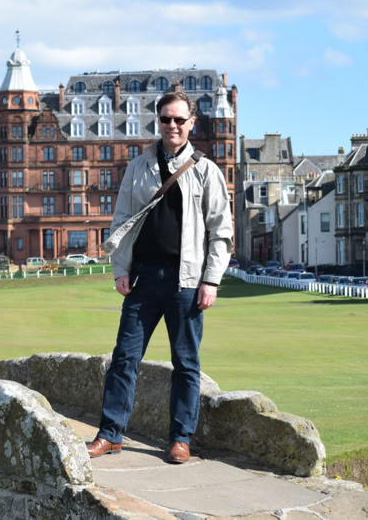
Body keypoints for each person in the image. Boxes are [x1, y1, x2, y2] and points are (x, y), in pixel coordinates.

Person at [86, 91, 233, 465]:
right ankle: (110, 433)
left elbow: (222, 232)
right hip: (143, 278)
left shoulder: (206, 170)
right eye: (166, 119)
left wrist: (211, 280)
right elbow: (121, 220)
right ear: (158, 121)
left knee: (186, 363)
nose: (172, 126)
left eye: (179, 120)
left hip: (186, 279)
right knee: (124, 358)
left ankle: (180, 439)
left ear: (191, 124)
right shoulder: (138, 167)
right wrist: (121, 270)